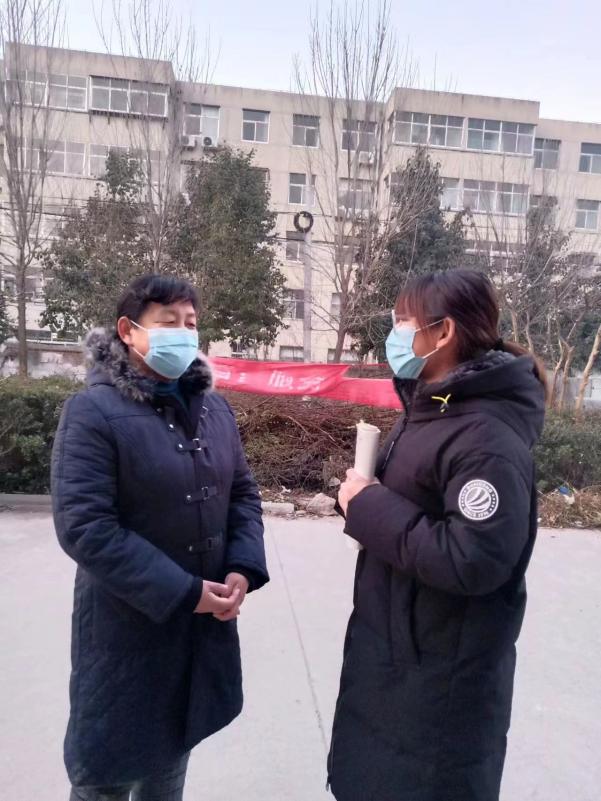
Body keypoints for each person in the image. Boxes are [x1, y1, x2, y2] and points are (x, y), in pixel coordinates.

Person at [328, 270, 547, 801]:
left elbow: (473, 558)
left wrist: (368, 506)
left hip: (438, 683)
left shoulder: (485, 437)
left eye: (403, 320)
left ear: (443, 331)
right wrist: (364, 502)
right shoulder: (435, 407)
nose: (394, 333)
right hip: (396, 660)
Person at [51, 274, 269, 801]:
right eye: (168, 322)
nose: (184, 333)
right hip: (125, 630)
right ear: (128, 331)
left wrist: (241, 567)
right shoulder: (92, 412)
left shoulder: (214, 410)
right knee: (106, 774)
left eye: (190, 323)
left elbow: (242, 493)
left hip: (197, 631)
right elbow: (85, 527)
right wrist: (184, 592)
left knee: (170, 758)